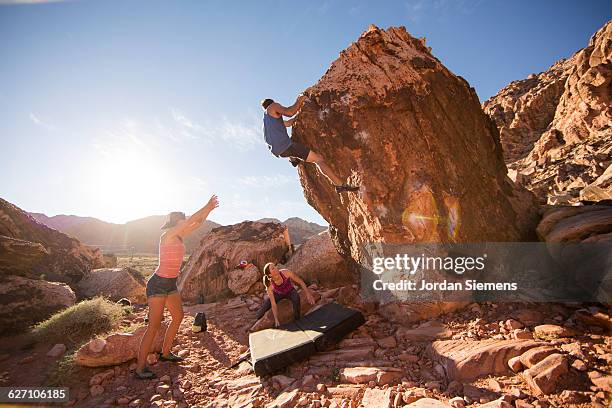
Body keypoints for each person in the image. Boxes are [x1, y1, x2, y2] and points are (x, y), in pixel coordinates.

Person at [135, 195, 219, 380]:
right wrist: (206, 204)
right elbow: (191, 220)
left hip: (170, 284)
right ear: (175, 222)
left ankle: (165, 353)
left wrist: (209, 210)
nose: (185, 223)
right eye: (182, 220)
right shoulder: (168, 235)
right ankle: (140, 369)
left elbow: (197, 222)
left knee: (178, 316)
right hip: (157, 284)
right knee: (154, 325)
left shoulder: (179, 235)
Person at [262, 95, 359, 194]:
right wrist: (300, 100)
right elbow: (289, 112)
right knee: (318, 159)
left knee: (291, 142)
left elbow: (289, 123)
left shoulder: (267, 121)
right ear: (272, 103)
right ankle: (339, 185)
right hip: (285, 147)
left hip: (280, 151)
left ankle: (293, 159)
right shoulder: (273, 106)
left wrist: (300, 113)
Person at [255, 262, 315, 327]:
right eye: (273, 268)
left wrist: (308, 294)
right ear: (270, 275)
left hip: (290, 291)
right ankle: (256, 316)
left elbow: (300, 281)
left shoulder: (286, 273)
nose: (276, 267)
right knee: (263, 309)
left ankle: (297, 319)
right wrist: (276, 319)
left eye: (275, 266)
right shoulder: (270, 285)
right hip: (278, 294)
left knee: (296, 297)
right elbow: (273, 304)